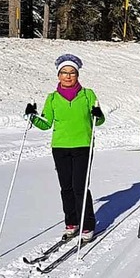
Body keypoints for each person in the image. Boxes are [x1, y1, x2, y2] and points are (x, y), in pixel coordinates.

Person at [24, 54, 105, 242]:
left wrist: (98, 114)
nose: (68, 76)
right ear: (58, 75)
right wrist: (32, 115)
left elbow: (98, 121)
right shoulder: (52, 98)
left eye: (72, 73)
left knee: (80, 187)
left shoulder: (88, 94)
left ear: (77, 75)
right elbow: (45, 124)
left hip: (82, 146)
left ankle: (87, 224)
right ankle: (72, 222)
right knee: (66, 187)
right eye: (64, 72)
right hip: (60, 147)